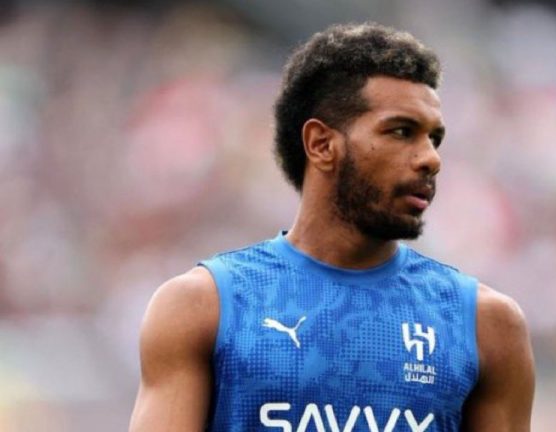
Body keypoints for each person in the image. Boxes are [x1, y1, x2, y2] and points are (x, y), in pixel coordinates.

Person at [129, 22, 535, 431]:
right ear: (322, 144)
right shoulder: (203, 307)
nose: (431, 158)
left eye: (434, 138)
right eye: (401, 131)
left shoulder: (485, 325)